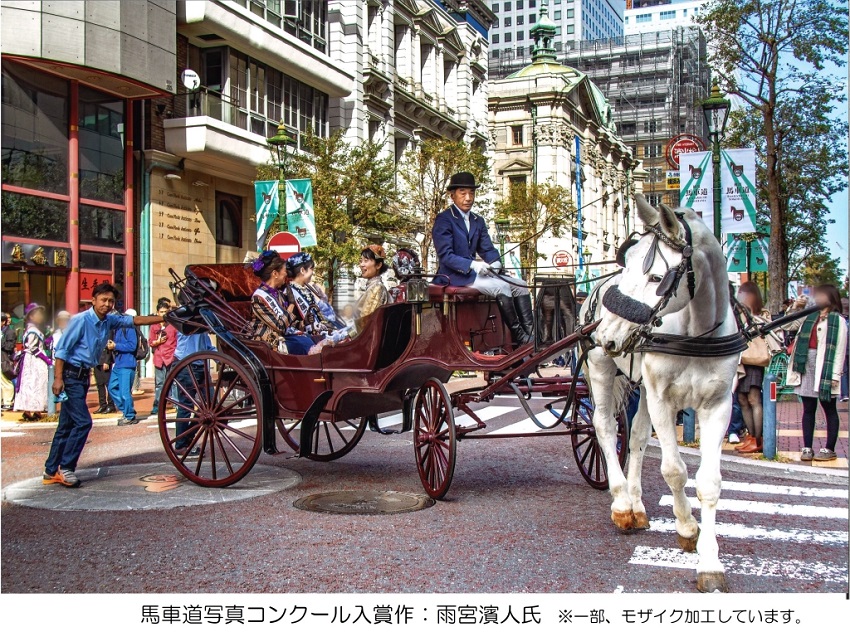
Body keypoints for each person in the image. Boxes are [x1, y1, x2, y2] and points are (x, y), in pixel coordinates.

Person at [45, 283, 163, 487]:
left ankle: (50, 471)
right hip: (71, 374)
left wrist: (165, 317)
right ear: (93, 300)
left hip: (82, 376)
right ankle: (66, 468)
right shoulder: (80, 321)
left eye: (111, 301)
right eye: (103, 300)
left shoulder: (109, 320)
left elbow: (135, 320)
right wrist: (58, 378)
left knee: (66, 425)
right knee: (83, 422)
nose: (107, 304)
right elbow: (62, 351)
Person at [432, 171, 533, 346]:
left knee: (521, 286)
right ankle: (518, 336)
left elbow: (487, 249)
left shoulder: (478, 220)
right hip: (455, 276)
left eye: (471, 193)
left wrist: (495, 262)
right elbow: (446, 256)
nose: (468, 198)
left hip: (475, 275)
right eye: (463, 193)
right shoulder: (444, 219)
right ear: (452, 195)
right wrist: (473, 265)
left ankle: (530, 334)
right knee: (500, 286)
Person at [785, 285, 848, 462]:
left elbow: (840, 350)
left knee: (829, 409)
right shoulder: (809, 315)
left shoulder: (838, 321)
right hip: (806, 365)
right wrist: (796, 307)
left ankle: (829, 448)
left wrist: (835, 375)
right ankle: (807, 448)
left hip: (825, 368)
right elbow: (788, 324)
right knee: (808, 408)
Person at [246, 250, 313, 355]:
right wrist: (291, 305)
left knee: (312, 339)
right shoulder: (258, 298)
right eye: (284, 271)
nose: (286, 274)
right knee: (305, 345)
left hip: (284, 336)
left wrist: (304, 323)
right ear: (275, 274)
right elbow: (280, 326)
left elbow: (287, 323)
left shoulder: (278, 294)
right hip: (269, 341)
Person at [733, 282, 774, 454]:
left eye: (744, 294)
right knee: (742, 399)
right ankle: (751, 436)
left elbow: (765, 330)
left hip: (754, 361)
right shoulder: (738, 313)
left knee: (754, 398)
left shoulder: (761, 314)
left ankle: (759, 438)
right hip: (741, 360)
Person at [173, 330, 215, 455]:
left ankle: (188, 437)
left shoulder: (203, 329)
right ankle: (181, 444)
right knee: (186, 406)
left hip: (201, 365)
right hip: (187, 365)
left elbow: (208, 346)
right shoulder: (189, 322)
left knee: (211, 405)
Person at [285, 252, 343, 335]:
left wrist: (321, 299)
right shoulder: (289, 292)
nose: (313, 272)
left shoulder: (307, 290)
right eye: (311, 269)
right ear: (302, 270)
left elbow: (329, 316)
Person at [13, 304, 52, 421]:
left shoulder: (32, 329)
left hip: (32, 361)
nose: (40, 316)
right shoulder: (32, 330)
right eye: (37, 314)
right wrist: (47, 360)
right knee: (33, 384)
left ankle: (34, 410)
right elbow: (33, 348)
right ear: (31, 316)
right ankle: (31, 410)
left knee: (33, 384)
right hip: (33, 361)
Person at [108, 308, 140, 426]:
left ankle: (129, 415)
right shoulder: (118, 329)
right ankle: (127, 410)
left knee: (124, 392)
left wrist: (116, 345)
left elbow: (132, 346)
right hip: (119, 363)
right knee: (112, 388)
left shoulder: (130, 328)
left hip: (127, 364)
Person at [149, 298, 177, 417]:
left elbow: (177, 342)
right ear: (157, 313)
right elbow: (150, 342)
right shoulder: (154, 326)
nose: (163, 314)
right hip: (159, 358)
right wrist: (158, 341)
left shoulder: (173, 326)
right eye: (161, 312)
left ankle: (177, 404)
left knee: (174, 382)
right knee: (159, 383)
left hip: (171, 357)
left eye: (165, 312)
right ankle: (158, 405)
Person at [93, 330, 115, 415]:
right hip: (96, 360)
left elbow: (110, 345)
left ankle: (111, 405)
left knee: (108, 384)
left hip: (104, 360)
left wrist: (107, 361)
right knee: (99, 384)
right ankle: (102, 405)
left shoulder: (107, 328)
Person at [1, 312, 17, 410]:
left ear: (3, 322)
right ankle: (3, 401)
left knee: (5, 381)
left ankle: (8, 401)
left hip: (5, 359)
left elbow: (9, 347)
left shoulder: (9, 332)